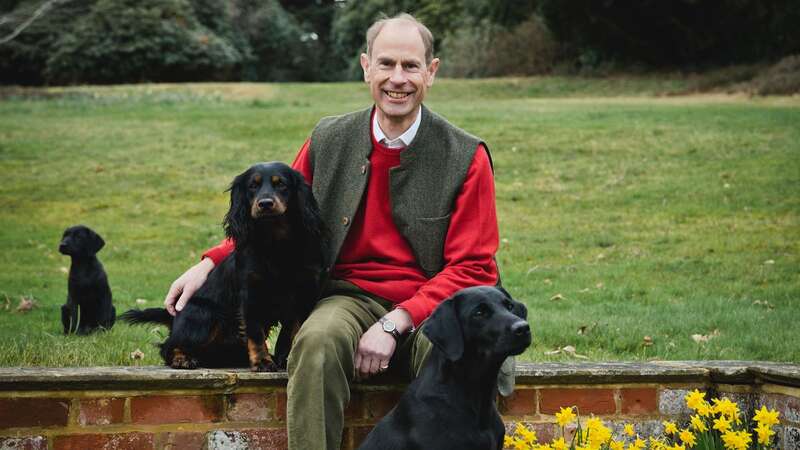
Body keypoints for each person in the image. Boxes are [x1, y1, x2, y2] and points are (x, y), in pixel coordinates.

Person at [164, 13, 500, 450]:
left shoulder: (466, 155)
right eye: (386, 64)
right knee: (316, 343)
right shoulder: (328, 137)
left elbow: (474, 267)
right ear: (366, 67)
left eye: (411, 66)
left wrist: (397, 322)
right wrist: (211, 260)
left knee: (455, 357)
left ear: (431, 72)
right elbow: (275, 215)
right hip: (346, 294)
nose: (397, 79)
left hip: (434, 303)